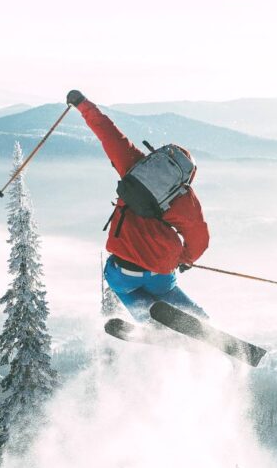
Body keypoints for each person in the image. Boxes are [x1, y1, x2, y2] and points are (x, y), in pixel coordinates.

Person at [67, 89, 209, 321]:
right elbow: (199, 238)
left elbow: (108, 133)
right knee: (168, 291)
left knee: (121, 284)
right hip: (161, 270)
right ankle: (201, 321)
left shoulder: (134, 165)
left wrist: (82, 104)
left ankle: (147, 323)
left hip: (125, 270)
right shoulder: (185, 199)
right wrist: (186, 259)